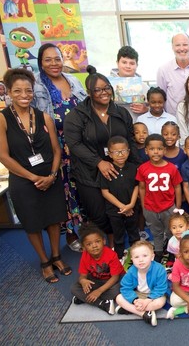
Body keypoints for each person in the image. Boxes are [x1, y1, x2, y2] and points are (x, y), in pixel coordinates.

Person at [0, 68, 72, 283]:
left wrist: (53, 174)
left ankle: (56, 255)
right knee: (33, 222)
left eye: (28, 90)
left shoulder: (44, 117)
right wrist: (32, 177)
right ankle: (44, 261)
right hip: (23, 180)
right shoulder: (0, 120)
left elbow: (56, 149)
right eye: (17, 91)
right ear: (8, 92)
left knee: (54, 219)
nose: (24, 95)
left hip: (50, 177)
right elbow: (3, 156)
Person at [64, 67, 138, 244]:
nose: (103, 92)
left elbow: (130, 138)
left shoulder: (121, 112)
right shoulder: (77, 115)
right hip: (89, 172)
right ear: (89, 92)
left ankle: (121, 245)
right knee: (98, 213)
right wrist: (99, 162)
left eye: (106, 88)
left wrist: (137, 166)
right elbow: (74, 144)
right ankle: (109, 245)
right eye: (98, 89)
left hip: (119, 169)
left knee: (121, 209)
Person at [33, 43, 87, 252]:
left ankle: (87, 230)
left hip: (79, 144)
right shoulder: (37, 85)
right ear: (40, 62)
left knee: (82, 188)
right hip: (56, 147)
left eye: (57, 59)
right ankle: (72, 233)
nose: (54, 64)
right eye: (48, 60)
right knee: (66, 191)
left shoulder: (72, 80)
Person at [136, 134, 183, 263]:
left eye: (159, 149)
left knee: (170, 231)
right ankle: (158, 251)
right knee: (155, 231)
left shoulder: (171, 168)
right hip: (150, 207)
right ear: (146, 151)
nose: (156, 152)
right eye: (152, 149)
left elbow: (177, 187)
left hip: (168, 207)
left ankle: (172, 251)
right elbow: (141, 187)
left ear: (164, 150)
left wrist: (177, 207)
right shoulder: (143, 168)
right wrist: (143, 204)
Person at [99, 136, 140, 260]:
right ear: (109, 154)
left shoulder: (133, 168)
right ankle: (119, 256)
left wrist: (131, 204)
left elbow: (136, 187)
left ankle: (137, 254)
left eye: (124, 151)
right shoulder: (107, 170)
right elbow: (105, 192)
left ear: (128, 151)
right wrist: (122, 206)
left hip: (132, 208)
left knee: (134, 232)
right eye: (116, 152)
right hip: (115, 210)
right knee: (118, 235)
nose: (120, 154)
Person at [70, 223, 124, 314]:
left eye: (97, 241)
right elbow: (82, 275)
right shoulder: (85, 255)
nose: (94, 246)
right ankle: (102, 303)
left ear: (104, 241)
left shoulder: (111, 255)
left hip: (112, 280)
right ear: (84, 247)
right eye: (89, 244)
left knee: (118, 289)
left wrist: (99, 291)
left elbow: (115, 277)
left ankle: (86, 298)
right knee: (74, 288)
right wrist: (83, 281)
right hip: (97, 279)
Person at [115, 241, 168, 327]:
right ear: (132, 259)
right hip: (138, 294)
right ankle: (144, 313)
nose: (141, 260)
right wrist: (134, 300)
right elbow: (125, 287)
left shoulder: (159, 269)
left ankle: (130, 309)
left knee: (159, 303)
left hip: (154, 295)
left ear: (152, 257)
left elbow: (161, 288)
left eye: (145, 256)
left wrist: (148, 300)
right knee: (118, 298)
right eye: (136, 257)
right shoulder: (132, 271)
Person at [109, 45, 149, 120]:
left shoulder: (144, 87)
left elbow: (155, 107)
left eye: (132, 63)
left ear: (137, 65)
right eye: (124, 62)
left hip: (137, 127)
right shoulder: (106, 84)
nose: (128, 66)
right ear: (117, 63)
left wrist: (146, 109)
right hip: (113, 126)